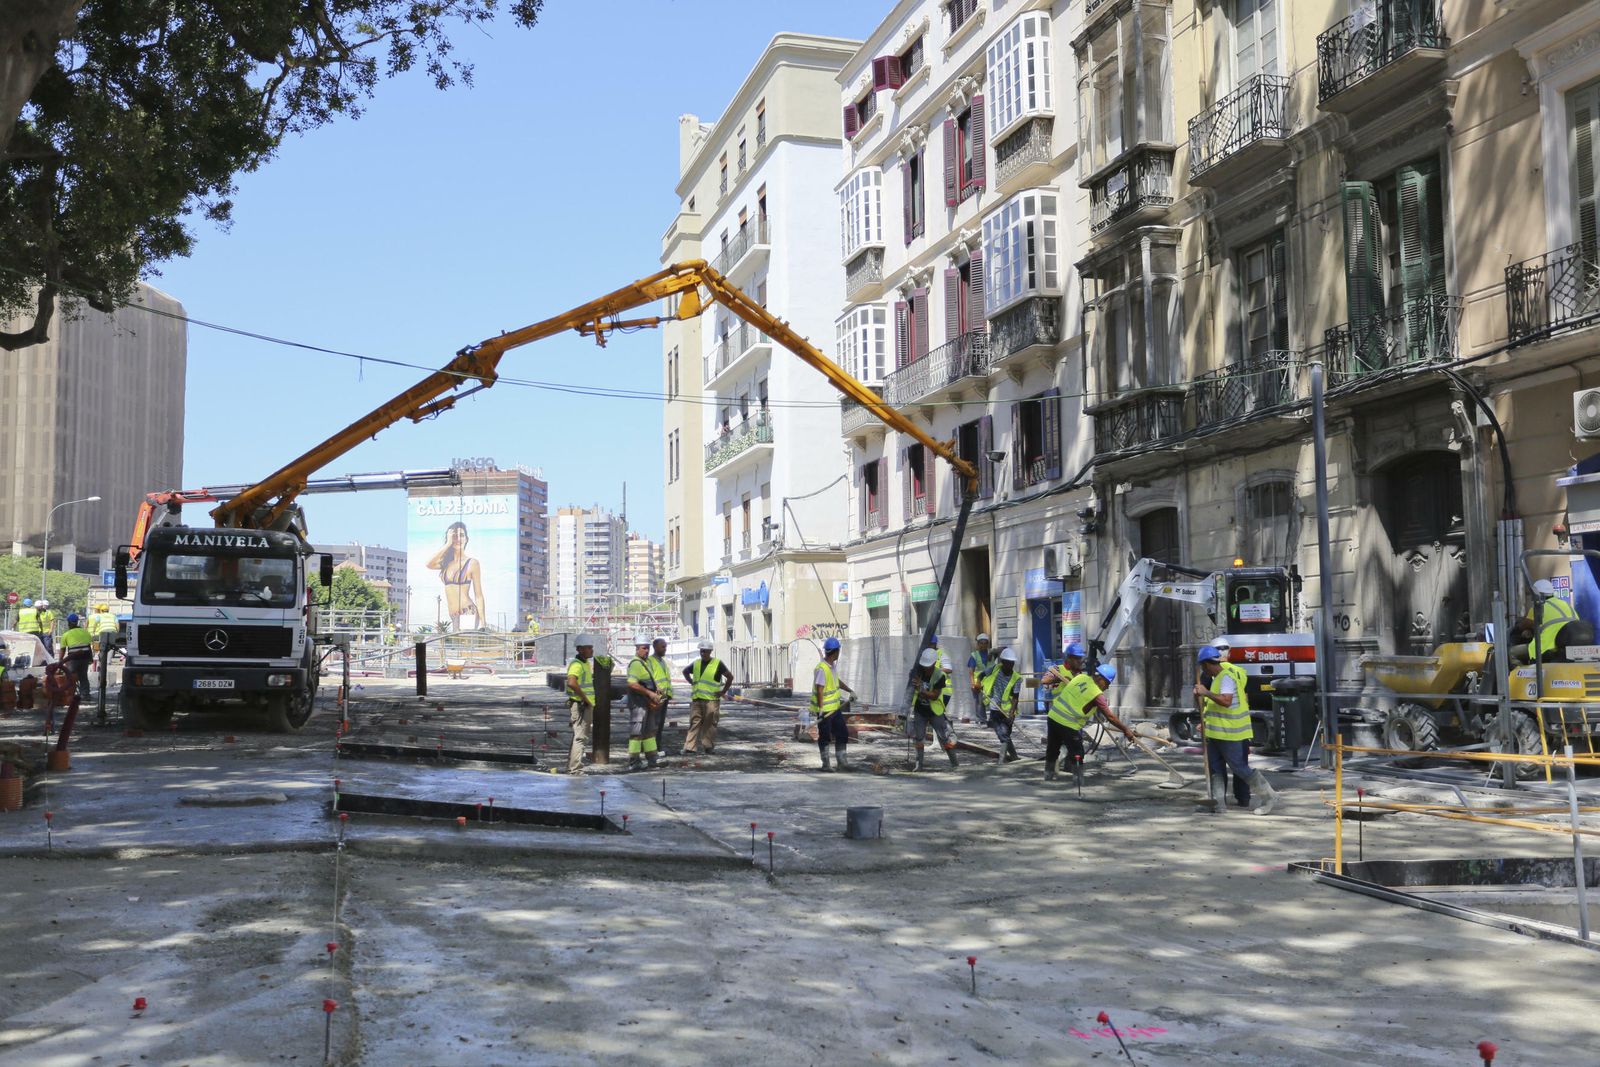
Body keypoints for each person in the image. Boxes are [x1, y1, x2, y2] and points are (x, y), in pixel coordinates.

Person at [1194, 645, 1276, 814]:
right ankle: (1217, 803)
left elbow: (1226, 701)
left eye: (1203, 666)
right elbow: (1212, 706)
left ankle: (1268, 797)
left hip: (1230, 733)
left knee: (1239, 767)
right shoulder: (1217, 678)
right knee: (1215, 768)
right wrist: (1202, 709)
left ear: (1207, 664)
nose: (1203, 670)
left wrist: (1206, 693)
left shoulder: (1226, 678)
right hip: (1215, 733)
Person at [1043, 662, 1134, 783]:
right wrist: (1126, 730)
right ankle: (1078, 780)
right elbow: (1110, 717)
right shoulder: (1097, 694)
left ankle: (1048, 776)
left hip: (1053, 717)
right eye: (1107, 684)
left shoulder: (1081, 677)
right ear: (1100, 679)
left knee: (1052, 748)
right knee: (1077, 752)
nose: (1106, 687)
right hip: (1068, 724)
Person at [1511, 579, 1591, 664]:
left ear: (1537, 595)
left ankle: (1523, 676)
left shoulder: (1538, 608)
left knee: (1512, 653)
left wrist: (1517, 626)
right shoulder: (1565, 604)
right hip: (1570, 648)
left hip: (1547, 647)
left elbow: (1524, 625)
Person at [425, 521, 486, 631]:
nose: (458, 539)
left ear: (466, 539)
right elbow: (428, 564)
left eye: (461, 535)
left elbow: (478, 595)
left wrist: (483, 623)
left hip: (467, 612)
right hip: (453, 615)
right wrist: (447, 544)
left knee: (464, 647)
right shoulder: (446, 563)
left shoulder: (472, 563)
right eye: (455, 536)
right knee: (459, 647)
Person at [910, 647, 958, 771]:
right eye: (924, 665)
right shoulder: (918, 671)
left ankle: (955, 765)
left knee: (945, 737)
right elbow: (912, 686)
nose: (926, 668)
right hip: (920, 710)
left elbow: (934, 695)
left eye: (929, 666)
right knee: (919, 738)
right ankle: (918, 766)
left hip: (935, 711)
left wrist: (921, 689)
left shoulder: (939, 675)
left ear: (933, 663)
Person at [812, 636, 856, 771]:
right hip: (825, 710)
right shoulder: (822, 668)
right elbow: (820, 689)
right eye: (838, 651)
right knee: (825, 736)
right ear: (836, 652)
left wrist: (850, 690)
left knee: (842, 733)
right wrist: (820, 710)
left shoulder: (831, 667)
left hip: (835, 709)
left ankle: (842, 762)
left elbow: (836, 682)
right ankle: (826, 764)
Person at [683, 638, 733, 755]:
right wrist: (691, 681)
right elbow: (685, 671)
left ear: (710, 651)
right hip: (697, 699)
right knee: (694, 722)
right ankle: (689, 747)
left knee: (710, 724)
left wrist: (723, 692)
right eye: (701, 651)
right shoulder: (696, 663)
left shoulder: (717, 663)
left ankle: (708, 746)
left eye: (705, 651)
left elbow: (730, 677)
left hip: (711, 700)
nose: (702, 653)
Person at [624, 635, 663, 770]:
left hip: (647, 703)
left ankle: (652, 758)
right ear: (637, 649)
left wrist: (656, 690)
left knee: (649, 732)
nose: (646, 651)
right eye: (644, 648)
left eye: (648, 648)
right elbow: (632, 684)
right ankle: (634, 761)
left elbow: (647, 681)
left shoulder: (645, 663)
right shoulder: (635, 664)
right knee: (637, 733)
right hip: (638, 704)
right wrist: (650, 693)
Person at [984, 647, 1023, 761]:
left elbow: (1015, 697)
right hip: (995, 707)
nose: (1010, 666)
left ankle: (1005, 760)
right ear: (1002, 662)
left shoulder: (1016, 678)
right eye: (1007, 663)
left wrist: (1011, 713)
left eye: (1012, 663)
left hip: (1008, 710)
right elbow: (982, 675)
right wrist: (977, 684)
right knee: (1002, 734)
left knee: (1005, 734)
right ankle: (1010, 758)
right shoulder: (995, 669)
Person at [565, 636, 596, 774]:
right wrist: (585, 699)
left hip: (583, 704)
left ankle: (571, 766)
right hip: (580, 705)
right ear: (580, 649)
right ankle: (575, 769)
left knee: (578, 736)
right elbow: (571, 682)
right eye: (588, 647)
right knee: (580, 737)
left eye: (591, 647)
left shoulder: (585, 664)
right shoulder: (577, 664)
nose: (591, 650)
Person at [57, 613, 95, 701]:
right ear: (77, 622)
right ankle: (85, 695)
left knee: (70, 676)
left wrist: (60, 661)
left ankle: (70, 694)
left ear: (68, 623)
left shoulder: (66, 634)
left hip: (73, 659)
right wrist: (90, 659)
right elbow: (88, 646)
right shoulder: (85, 632)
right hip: (85, 658)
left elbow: (62, 650)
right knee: (83, 676)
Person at [648, 637, 675, 758]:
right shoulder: (650, 661)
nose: (665, 649)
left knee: (660, 724)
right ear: (655, 647)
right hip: (657, 696)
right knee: (654, 723)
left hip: (664, 696)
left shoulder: (662, 661)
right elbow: (650, 678)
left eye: (665, 646)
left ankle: (657, 747)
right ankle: (652, 749)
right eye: (662, 646)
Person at [967, 633, 998, 725]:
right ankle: (981, 719)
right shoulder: (974, 655)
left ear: (988, 644)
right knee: (979, 701)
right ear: (978, 644)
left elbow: (1003, 649)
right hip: (978, 682)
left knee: (994, 700)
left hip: (991, 682)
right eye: (981, 643)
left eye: (985, 643)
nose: (983, 645)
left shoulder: (992, 654)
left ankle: (993, 719)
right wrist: (972, 683)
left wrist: (992, 652)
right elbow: (971, 671)